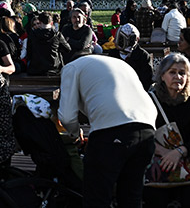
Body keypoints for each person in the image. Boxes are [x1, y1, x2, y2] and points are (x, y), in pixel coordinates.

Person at [58, 54, 157, 208]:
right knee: (131, 198)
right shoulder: (118, 64)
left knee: (97, 199)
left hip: (113, 130)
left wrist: (76, 135)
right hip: (147, 126)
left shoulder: (71, 68)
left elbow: (67, 117)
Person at [144, 53, 190, 208]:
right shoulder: (149, 101)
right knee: (155, 194)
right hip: (157, 158)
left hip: (189, 159)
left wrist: (179, 152)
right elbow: (142, 132)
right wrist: (161, 151)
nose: (178, 77)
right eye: (172, 72)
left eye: (182, 73)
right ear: (162, 76)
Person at [24, 12, 70, 76]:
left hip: (36, 69)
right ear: (51, 22)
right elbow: (67, 49)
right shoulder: (57, 35)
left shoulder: (32, 34)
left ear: (39, 22)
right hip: (54, 69)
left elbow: (29, 51)